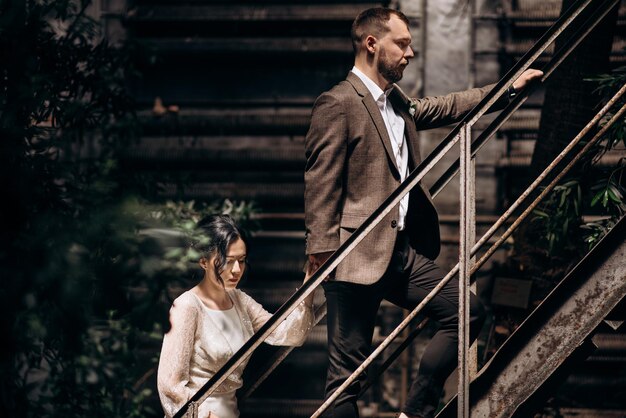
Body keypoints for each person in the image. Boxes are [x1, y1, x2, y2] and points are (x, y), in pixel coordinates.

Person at [303, 7, 543, 418]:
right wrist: (323, 255)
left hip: (400, 253)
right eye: (402, 43)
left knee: (466, 313)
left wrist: (509, 88)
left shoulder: (395, 103)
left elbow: (448, 105)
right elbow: (321, 184)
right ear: (372, 44)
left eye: (411, 43)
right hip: (352, 258)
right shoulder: (338, 102)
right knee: (345, 383)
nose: (410, 52)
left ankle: (414, 412)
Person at [157, 214, 315, 418]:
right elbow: (170, 384)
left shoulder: (240, 300)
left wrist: (309, 285)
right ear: (203, 261)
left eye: (241, 260)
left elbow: (288, 334)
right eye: (228, 261)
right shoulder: (187, 306)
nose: (237, 270)